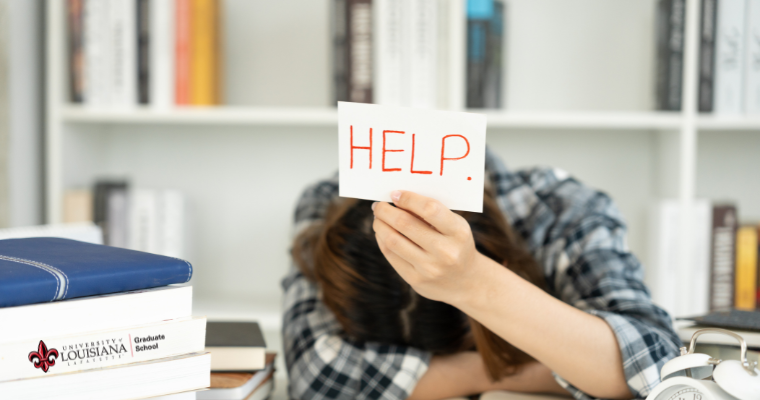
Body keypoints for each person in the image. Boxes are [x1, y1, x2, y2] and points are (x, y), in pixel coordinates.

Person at [282, 149, 681, 400]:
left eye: (465, 345)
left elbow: (660, 371)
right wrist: (497, 371)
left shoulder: (563, 209)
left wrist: (475, 283)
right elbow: (314, 377)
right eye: (422, 360)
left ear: (509, 263)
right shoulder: (327, 208)